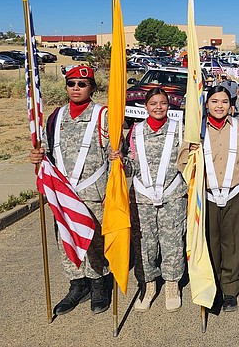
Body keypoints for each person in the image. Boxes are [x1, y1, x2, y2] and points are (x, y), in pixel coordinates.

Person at [29, 65, 113, 316]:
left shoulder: (103, 116)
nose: (76, 88)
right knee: (65, 240)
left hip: (93, 192)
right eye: (71, 83)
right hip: (63, 193)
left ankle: (98, 283)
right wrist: (36, 156)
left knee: (94, 241)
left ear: (92, 87)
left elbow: (116, 156)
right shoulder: (56, 117)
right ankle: (77, 284)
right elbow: (47, 151)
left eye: (82, 84)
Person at [178, 86, 239, 313]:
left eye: (224, 102)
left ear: (231, 105)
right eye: (214, 101)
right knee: (208, 242)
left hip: (235, 193)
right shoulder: (194, 131)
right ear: (206, 104)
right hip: (205, 196)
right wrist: (191, 150)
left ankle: (230, 289)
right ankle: (212, 286)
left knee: (234, 244)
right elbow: (183, 165)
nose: (219, 106)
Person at [123, 87, 187, 312]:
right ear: (145, 106)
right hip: (142, 199)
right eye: (153, 103)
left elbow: (188, 163)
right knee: (144, 244)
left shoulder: (180, 130)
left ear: (169, 105)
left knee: (172, 242)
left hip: (173, 196)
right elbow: (130, 166)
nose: (158, 107)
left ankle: (172, 284)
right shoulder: (135, 131)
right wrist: (119, 162)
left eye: (163, 103)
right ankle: (148, 285)